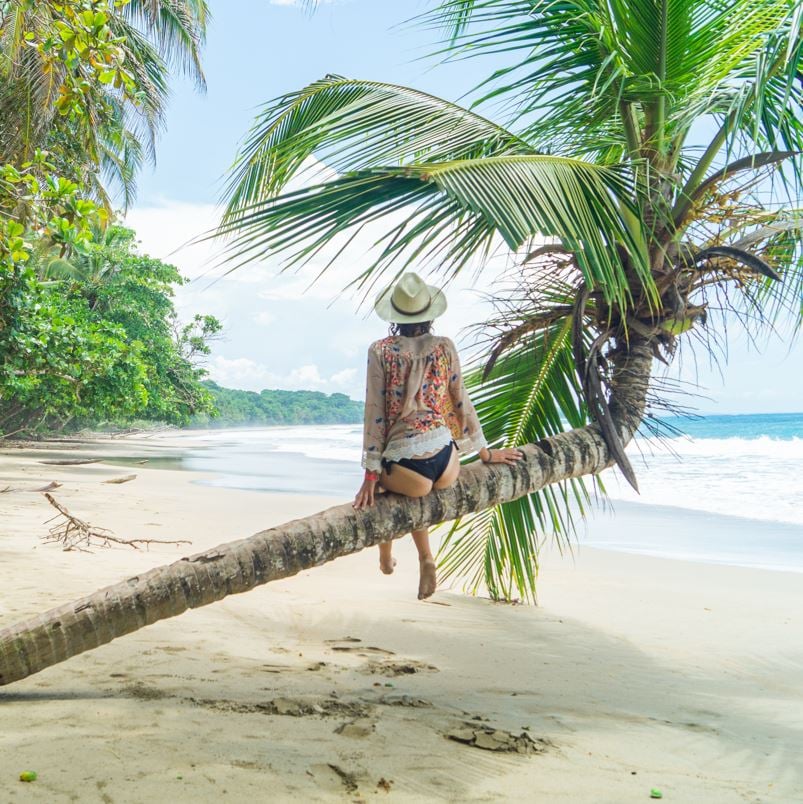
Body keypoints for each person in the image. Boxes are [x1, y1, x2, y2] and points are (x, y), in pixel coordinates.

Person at [352, 272, 523, 600]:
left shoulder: (381, 350)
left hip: (408, 465)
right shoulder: (444, 347)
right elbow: (460, 399)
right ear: (429, 313)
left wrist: (371, 475)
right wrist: (485, 453)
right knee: (413, 491)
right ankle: (425, 557)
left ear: (395, 316)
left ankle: (388, 559)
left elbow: (374, 411)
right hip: (446, 460)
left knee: (383, 494)